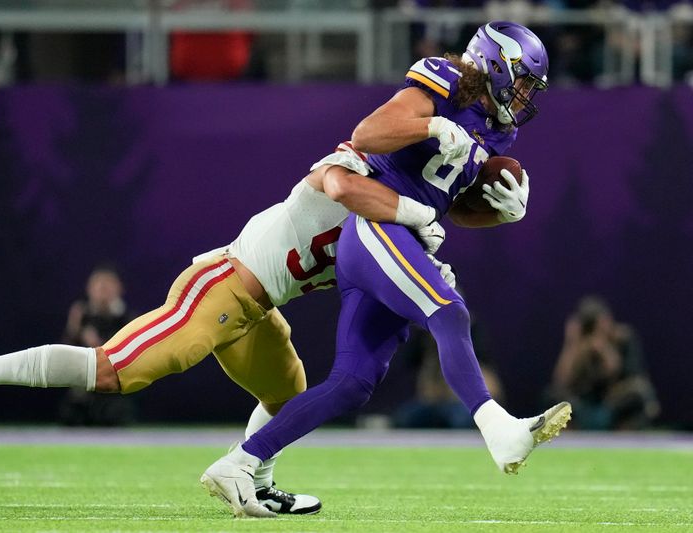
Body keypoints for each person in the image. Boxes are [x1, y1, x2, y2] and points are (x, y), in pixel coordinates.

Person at [0, 142, 451, 517]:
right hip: (222, 286)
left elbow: (378, 276)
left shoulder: (394, 225)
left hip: (258, 311)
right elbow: (331, 180)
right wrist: (407, 210)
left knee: (288, 392)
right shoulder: (355, 173)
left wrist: (426, 266)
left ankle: (255, 479)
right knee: (114, 370)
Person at [203, 21, 572, 518]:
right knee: (449, 312)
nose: (525, 95)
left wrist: (501, 209)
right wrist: (434, 126)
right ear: (493, 64)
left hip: (405, 238)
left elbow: (448, 197)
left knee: (352, 382)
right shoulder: (444, 81)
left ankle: (242, 463)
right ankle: (499, 429)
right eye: (523, 80)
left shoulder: (497, 128)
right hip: (377, 228)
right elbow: (368, 134)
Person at [548, 295, 659, 430]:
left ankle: (625, 436)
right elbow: (561, 380)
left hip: (612, 402)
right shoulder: (577, 344)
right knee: (552, 396)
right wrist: (572, 344)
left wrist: (603, 346)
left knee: (640, 393)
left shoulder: (622, 338)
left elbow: (615, 370)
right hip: (583, 404)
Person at [59, 265, 135, 426]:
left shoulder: (127, 319)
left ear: (118, 289)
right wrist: (74, 328)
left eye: (107, 286)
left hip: (113, 392)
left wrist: (99, 346)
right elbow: (64, 355)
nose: (102, 291)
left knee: (115, 414)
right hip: (85, 391)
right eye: (98, 286)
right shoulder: (82, 316)